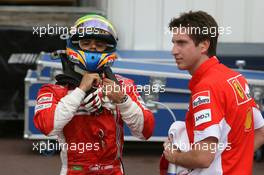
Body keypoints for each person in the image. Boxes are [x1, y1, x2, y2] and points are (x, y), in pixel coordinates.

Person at [33, 14, 155, 175]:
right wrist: (80, 91)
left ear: (109, 48)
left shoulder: (123, 86)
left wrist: (123, 101)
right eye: (86, 43)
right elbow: (47, 127)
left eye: (99, 44)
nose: (92, 47)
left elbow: (145, 131)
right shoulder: (54, 90)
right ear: (75, 45)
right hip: (74, 170)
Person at [161, 11, 264, 175]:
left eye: (181, 43)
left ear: (204, 45)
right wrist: (234, 160)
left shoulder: (206, 88)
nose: (174, 50)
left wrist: (174, 156)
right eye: (173, 42)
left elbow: (203, 157)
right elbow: (260, 132)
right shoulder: (236, 78)